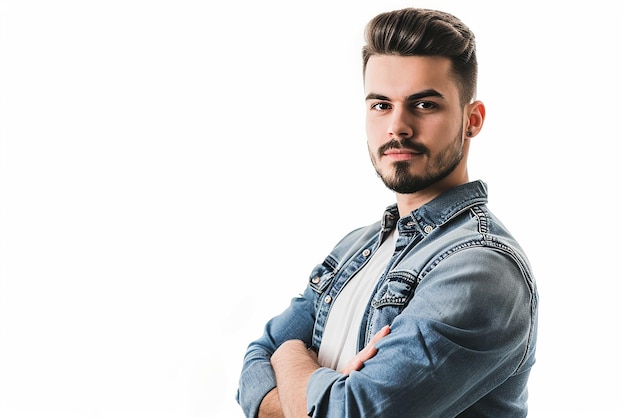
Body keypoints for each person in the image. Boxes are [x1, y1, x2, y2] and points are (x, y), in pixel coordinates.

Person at [236, 7, 538, 418]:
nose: (398, 126)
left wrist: (290, 357)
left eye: (425, 104)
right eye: (381, 105)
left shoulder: (480, 269)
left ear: (472, 119)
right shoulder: (355, 248)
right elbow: (253, 365)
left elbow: (349, 411)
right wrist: (318, 392)